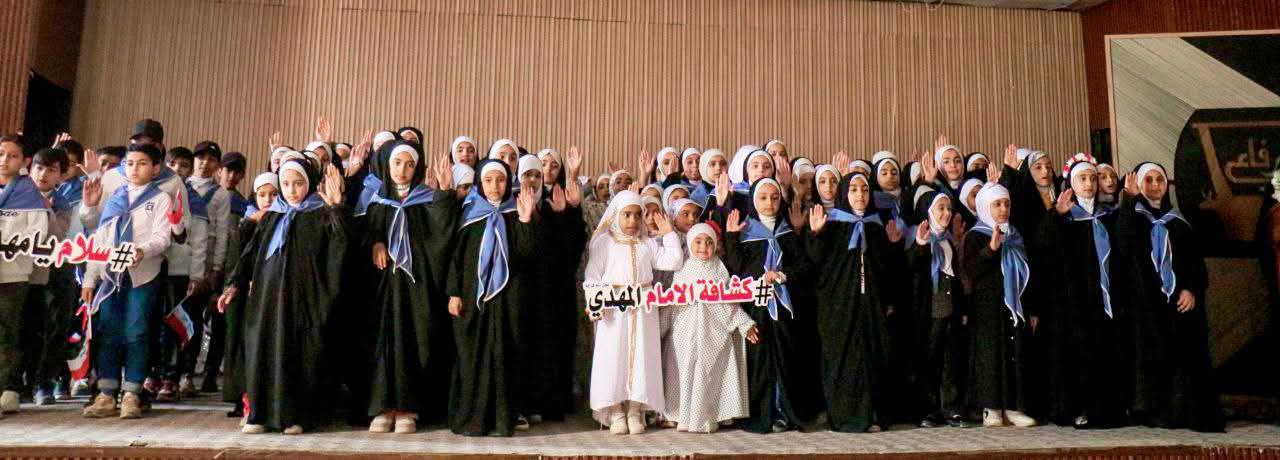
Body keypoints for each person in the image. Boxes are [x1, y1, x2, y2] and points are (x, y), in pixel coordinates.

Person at [215, 159, 347, 435]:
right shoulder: (273, 215)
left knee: (297, 355)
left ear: (309, 184)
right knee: (262, 351)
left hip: (302, 299)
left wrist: (336, 208)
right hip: (267, 299)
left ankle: (294, 416)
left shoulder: (319, 214)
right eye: (285, 184)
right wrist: (234, 284)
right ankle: (260, 414)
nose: (291, 190)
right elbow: (251, 253)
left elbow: (339, 249)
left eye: (298, 184)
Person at [1115, 162, 1223, 432]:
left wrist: (1190, 289)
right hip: (1145, 305)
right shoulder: (1133, 218)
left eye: (1159, 180)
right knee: (1150, 357)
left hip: (1177, 304)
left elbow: (1194, 264)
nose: (1155, 185)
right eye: (1148, 180)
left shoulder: (1178, 222)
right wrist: (1128, 200)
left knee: (1182, 358)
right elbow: (1123, 246)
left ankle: (1182, 412)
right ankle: (1154, 411)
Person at [364, 142, 459, 434]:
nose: (402, 170)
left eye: (409, 164)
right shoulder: (378, 200)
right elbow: (365, 233)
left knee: (413, 342)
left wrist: (444, 193)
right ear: (387, 165)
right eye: (397, 163)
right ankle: (383, 407)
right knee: (384, 344)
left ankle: (408, 408)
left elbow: (442, 234)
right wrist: (375, 242)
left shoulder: (426, 199)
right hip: (384, 288)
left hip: (417, 288)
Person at [80, 143, 177, 420]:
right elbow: (99, 239)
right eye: (130, 163)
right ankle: (106, 393)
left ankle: (132, 392)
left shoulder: (160, 198)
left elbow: (163, 237)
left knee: (138, 332)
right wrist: (90, 278)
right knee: (108, 330)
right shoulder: (115, 197)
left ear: (156, 168)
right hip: (110, 275)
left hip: (142, 275)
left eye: (142, 163)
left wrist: (142, 250)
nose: (135, 169)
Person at [445, 159, 541, 437]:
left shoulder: (515, 212)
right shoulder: (469, 213)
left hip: (508, 300)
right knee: (472, 356)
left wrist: (526, 220)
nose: (495, 186)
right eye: (488, 180)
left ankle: (501, 420)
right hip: (473, 298)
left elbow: (526, 255)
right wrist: (453, 292)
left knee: (504, 356)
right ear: (480, 183)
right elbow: (456, 257)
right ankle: (473, 420)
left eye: (500, 180)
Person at [723, 178, 823, 433]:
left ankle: (785, 412)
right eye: (763, 197)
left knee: (786, 359)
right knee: (759, 360)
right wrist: (732, 238)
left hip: (785, 310)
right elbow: (736, 269)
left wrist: (782, 275)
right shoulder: (745, 232)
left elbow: (805, 266)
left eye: (775, 197)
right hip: (755, 308)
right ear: (753, 200)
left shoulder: (787, 232)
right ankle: (762, 414)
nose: (769, 203)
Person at [805, 173, 900, 432]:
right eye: (854, 189)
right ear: (844, 194)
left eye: (865, 189)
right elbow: (815, 262)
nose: (860, 195)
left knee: (872, 356)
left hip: (871, 306)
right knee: (843, 359)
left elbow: (887, 270)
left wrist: (893, 246)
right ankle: (845, 417)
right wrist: (815, 234)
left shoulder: (876, 226)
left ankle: (872, 415)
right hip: (839, 307)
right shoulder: (832, 224)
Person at [586, 190, 683, 435]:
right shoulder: (604, 243)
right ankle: (616, 410)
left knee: (642, 357)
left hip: (643, 309)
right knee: (613, 358)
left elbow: (673, 262)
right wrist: (595, 302)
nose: (632, 221)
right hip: (613, 310)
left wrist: (669, 234)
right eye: (627, 215)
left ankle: (635, 410)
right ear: (616, 215)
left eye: (637, 215)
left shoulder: (646, 243)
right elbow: (592, 276)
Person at [1044, 156, 1125, 429]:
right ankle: (1080, 408)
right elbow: (1044, 248)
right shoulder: (1065, 216)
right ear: (1071, 184)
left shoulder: (1109, 215)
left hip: (1105, 296)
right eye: (1082, 179)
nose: (1089, 184)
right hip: (1075, 300)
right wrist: (1057, 215)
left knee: (1107, 351)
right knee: (1079, 353)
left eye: (1093, 178)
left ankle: (1109, 409)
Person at [660, 223, 758, 433]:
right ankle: (683, 416)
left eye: (709, 242)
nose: (703, 247)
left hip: (713, 332)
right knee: (684, 371)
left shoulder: (719, 269)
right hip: (685, 333)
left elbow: (726, 303)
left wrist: (743, 323)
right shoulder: (683, 269)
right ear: (689, 243)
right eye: (698, 242)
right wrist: (660, 327)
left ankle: (708, 417)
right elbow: (673, 301)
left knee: (710, 372)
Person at [963, 183, 1037, 428]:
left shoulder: (1015, 235)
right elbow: (971, 270)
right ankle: (991, 407)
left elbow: (1027, 273)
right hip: (987, 308)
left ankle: (1014, 407)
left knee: (1015, 353)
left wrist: (1032, 309)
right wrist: (991, 249)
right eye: (997, 204)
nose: (1003, 209)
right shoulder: (975, 235)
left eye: (1006, 204)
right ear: (985, 207)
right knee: (990, 356)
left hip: (1014, 307)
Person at [905, 190, 976, 429]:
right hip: (928, 312)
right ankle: (929, 409)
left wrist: (962, 309)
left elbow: (956, 277)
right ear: (928, 212)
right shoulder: (917, 237)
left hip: (949, 310)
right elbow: (911, 269)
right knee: (929, 361)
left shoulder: (947, 241)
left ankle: (951, 408)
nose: (946, 213)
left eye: (948, 209)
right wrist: (920, 245)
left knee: (950, 361)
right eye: (940, 209)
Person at [0, 134, 51, 417]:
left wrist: (8, 243)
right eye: (1, 154)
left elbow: (37, 235)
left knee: (6, 334)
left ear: (24, 161)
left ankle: (7, 389)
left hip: (12, 274)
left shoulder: (29, 193)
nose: (4, 160)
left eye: (12, 156)